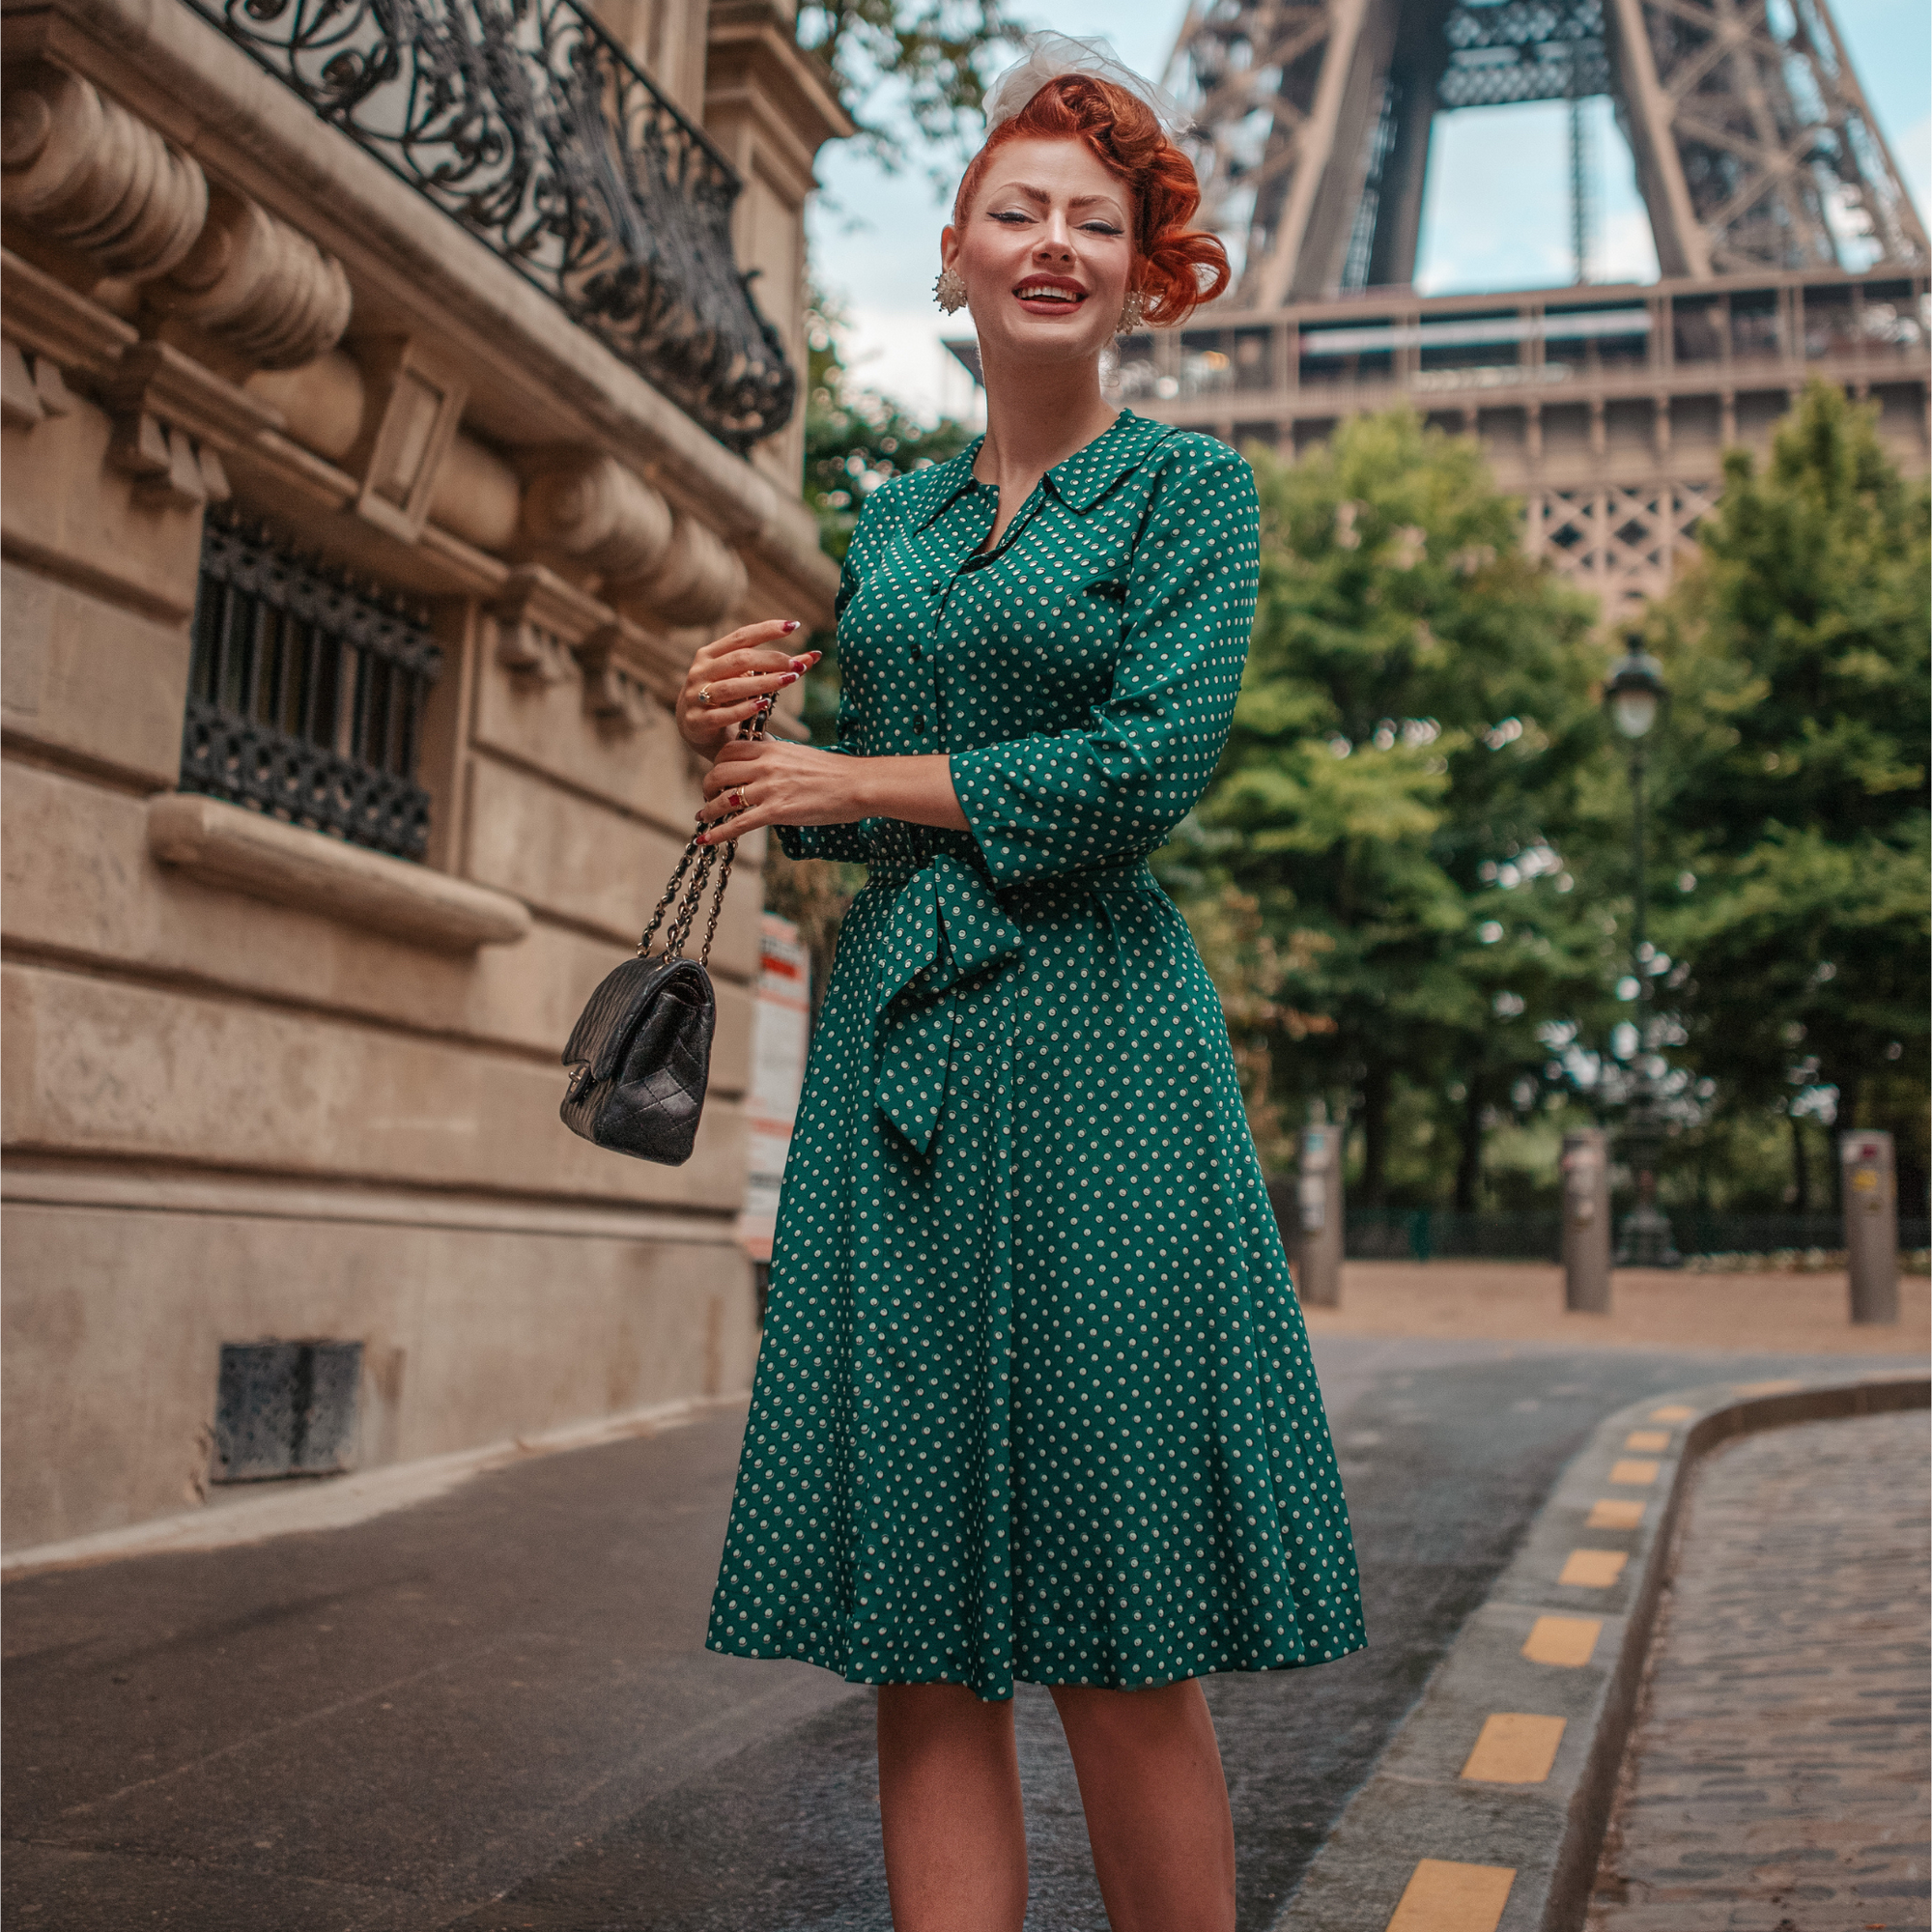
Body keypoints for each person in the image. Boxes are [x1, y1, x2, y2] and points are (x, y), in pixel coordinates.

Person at [673, 36, 1365, 1932]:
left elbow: (1140, 772)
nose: (1055, 242)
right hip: (902, 1058)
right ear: (956, 255)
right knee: (918, 1634)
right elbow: (852, 824)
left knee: (1122, 1626)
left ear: (1142, 275)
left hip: (1099, 1061)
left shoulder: (1188, 494)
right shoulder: (892, 523)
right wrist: (735, 746)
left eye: (1097, 222)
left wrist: (851, 777)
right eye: (1017, 211)